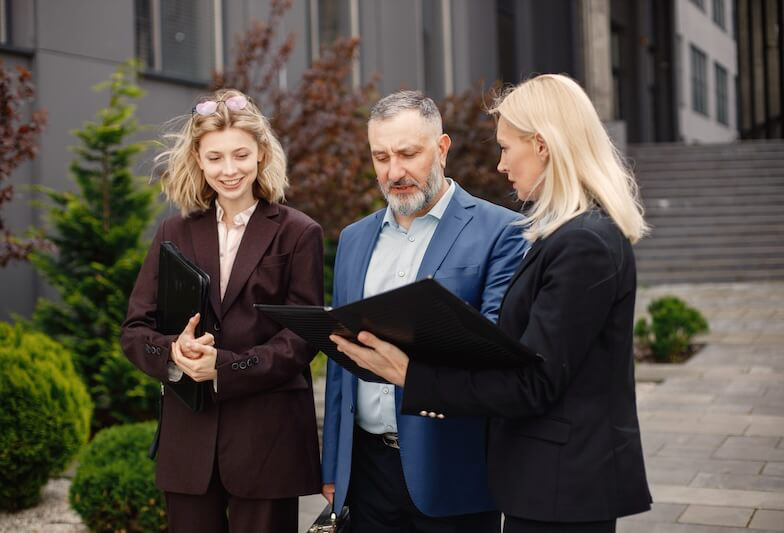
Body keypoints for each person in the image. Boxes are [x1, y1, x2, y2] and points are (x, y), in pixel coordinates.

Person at [332, 74, 653, 532]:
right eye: (380, 156)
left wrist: (409, 375)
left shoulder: (582, 242)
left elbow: (533, 382)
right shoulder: (566, 234)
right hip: (544, 481)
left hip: (561, 486)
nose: (501, 165)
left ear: (541, 144)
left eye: (505, 147)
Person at [321, 90, 529, 533]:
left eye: (408, 154)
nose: (394, 171)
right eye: (381, 157)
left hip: (454, 471)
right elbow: (341, 368)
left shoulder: (502, 232)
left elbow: (495, 353)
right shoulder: (354, 239)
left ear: (442, 148)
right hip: (366, 473)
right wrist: (333, 467)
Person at [121, 88, 323, 533]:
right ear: (197, 157)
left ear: (261, 153)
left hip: (268, 441)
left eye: (240, 155)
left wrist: (225, 367)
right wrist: (174, 352)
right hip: (188, 442)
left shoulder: (299, 233)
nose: (228, 170)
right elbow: (135, 330)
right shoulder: (172, 231)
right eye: (215, 158)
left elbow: (303, 337)